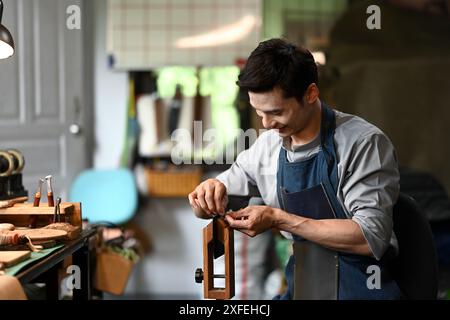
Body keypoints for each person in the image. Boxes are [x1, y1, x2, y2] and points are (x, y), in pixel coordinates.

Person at [188, 38, 403, 300]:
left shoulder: (363, 143)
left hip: (363, 289)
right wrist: (206, 196)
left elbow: (371, 236)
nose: (266, 124)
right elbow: (215, 198)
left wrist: (279, 219)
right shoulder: (268, 147)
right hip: (304, 289)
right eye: (259, 112)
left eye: (276, 112)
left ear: (311, 94)